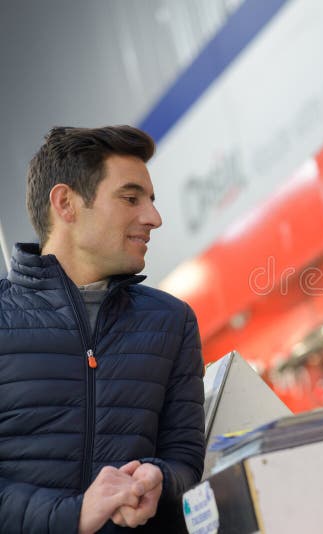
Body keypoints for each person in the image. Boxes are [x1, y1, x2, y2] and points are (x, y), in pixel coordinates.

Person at [0, 126, 205, 533]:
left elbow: (185, 460)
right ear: (66, 204)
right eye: (131, 198)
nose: (154, 218)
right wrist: (73, 515)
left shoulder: (172, 322)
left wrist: (158, 479)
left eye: (151, 200)